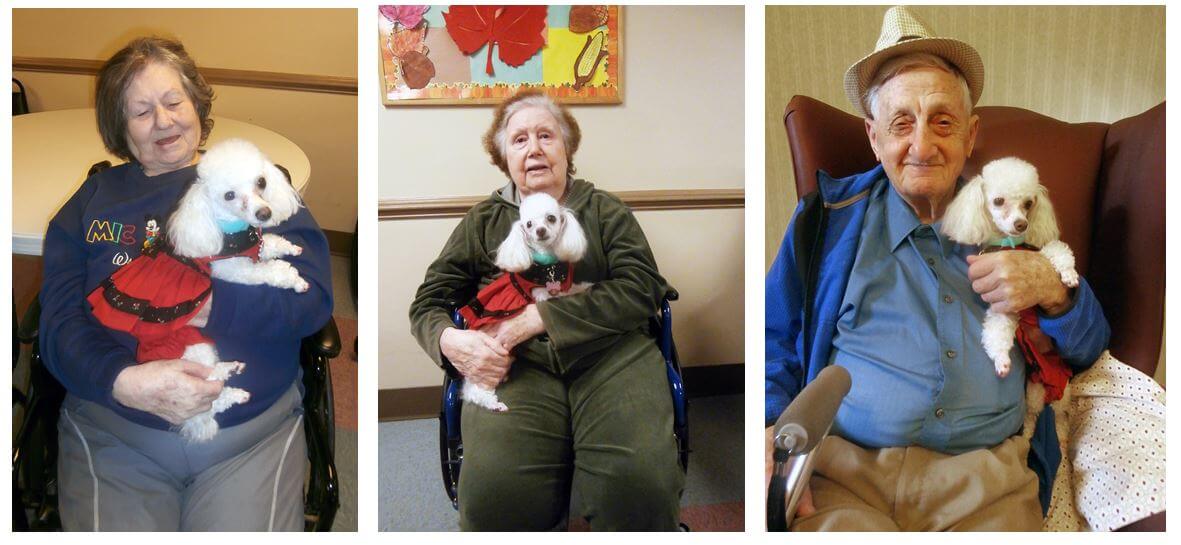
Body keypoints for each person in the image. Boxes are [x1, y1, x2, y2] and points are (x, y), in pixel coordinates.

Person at [764, 7, 1109, 531]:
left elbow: (1090, 346)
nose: (922, 146)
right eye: (901, 123)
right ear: (874, 137)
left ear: (970, 137)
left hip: (988, 482)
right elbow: (775, 339)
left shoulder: (1011, 215)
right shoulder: (825, 220)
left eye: (942, 122)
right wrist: (769, 428)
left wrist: (1055, 292)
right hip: (843, 474)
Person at [39, 36, 333, 531]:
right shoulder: (94, 199)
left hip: (248, 433)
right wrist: (122, 381)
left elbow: (316, 300)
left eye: (174, 101)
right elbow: (57, 321)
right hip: (116, 430)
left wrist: (206, 306)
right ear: (120, 127)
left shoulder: (252, 179)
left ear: (196, 103)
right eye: (140, 111)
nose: (164, 121)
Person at [409, 90, 684, 531]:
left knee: (640, 485)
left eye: (545, 135)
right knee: (495, 497)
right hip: (517, 366)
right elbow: (429, 301)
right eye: (519, 140)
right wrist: (451, 341)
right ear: (504, 157)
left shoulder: (603, 210)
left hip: (612, 356)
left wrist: (541, 317)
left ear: (567, 149)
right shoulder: (482, 221)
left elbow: (643, 288)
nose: (534, 148)